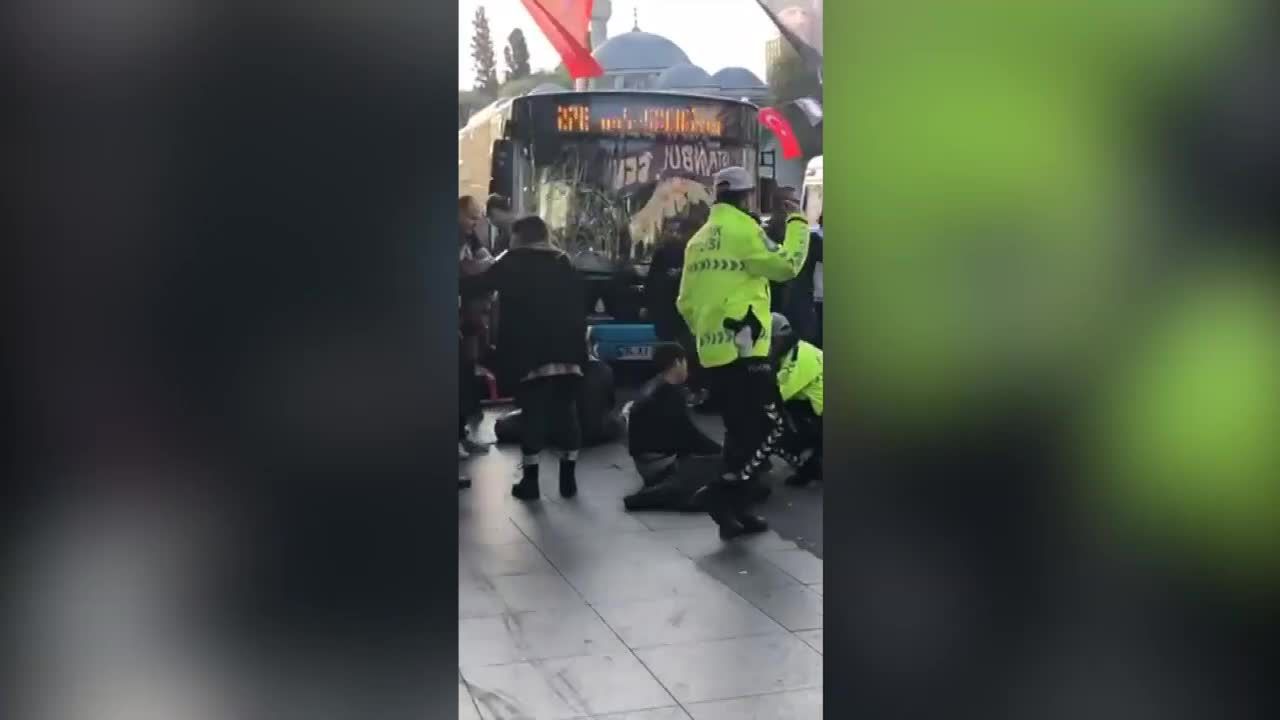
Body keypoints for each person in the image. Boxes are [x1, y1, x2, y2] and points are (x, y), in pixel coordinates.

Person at [676, 166, 811, 538]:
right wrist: (798, 222)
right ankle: (721, 493)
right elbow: (786, 266)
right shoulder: (744, 231)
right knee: (771, 425)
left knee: (739, 431)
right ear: (748, 196)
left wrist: (706, 333)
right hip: (746, 347)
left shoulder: (698, 239)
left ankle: (738, 511)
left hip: (713, 352)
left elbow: (684, 301)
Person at [462, 215, 587, 500]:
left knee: (533, 413)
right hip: (568, 351)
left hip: (530, 352)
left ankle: (531, 483)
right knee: (567, 412)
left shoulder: (513, 260)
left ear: (520, 236)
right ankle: (568, 480)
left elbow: (477, 285)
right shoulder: (564, 261)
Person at [622, 343, 723, 512]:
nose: (687, 368)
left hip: (647, 462)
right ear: (677, 362)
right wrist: (722, 451)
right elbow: (691, 437)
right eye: (685, 363)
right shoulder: (669, 394)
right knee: (722, 470)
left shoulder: (653, 385)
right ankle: (659, 493)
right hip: (661, 466)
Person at [643, 217, 707, 403]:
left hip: (684, 313)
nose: (674, 235)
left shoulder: (694, 253)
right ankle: (676, 390)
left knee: (687, 353)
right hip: (672, 312)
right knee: (674, 354)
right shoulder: (665, 254)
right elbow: (653, 283)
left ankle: (688, 389)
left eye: (676, 231)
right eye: (670, 231)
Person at [769, 313, 823, 487]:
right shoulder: (799, 349)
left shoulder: (796, 360)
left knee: (770, 423)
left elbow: (774, 397)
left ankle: (811, 466)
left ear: (777, 339)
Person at [458, 195, 493, 457]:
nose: (476, 222)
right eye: (472, 216)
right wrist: (486, 264)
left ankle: (461, 436)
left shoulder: (470, 238)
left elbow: (482, 258)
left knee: (466, 375)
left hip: (468, 319)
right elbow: (467, 269)